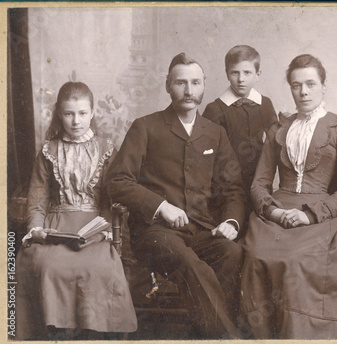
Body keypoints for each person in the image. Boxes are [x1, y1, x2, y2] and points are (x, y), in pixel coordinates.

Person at [107, 53, 246, 339]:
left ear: (204, 86)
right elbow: (117, 181)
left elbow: (234, 189)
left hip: (201, 230)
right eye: (180, 82)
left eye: (195, 82)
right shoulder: (145, 127)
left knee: (232, 253)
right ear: (168, 86)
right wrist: (161, 206)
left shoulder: (215, 133)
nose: (189, 90)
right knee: (190, 263)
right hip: (154, 233)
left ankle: (204, 335)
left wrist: (231, 222)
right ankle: (229, 339)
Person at [240, 54, 337, 339]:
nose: (303, 92)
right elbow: (259, 183)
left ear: (323, 86)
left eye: (310, 84)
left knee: (297, 261)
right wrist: (274, 212)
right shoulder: (279, 128)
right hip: (277, 212)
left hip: (321, 214)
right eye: (296, 85)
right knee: (256, 255)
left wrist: (309, 214)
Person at [15, 82, 137, 340]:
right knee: (46, 264)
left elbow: (111, 197)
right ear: (59, 113)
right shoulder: (48, 150)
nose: (76, 120)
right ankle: (55, 329)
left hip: (94, 226)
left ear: (92, 113)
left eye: (82, 113)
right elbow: (38, 197)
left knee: (98, 267)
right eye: (69, 113)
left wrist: (104, 229)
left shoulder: (106, 149)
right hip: (56, 224)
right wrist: (36, 228)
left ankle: (92, 330)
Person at [203, 45, 277, 231]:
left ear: (258, 74)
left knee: (259, 232)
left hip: (259, 185)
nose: (241, 79)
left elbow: (273, 146)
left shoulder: (265, 105)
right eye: (235, 73)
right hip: (225, 189)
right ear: (227, 74)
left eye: (247, 73)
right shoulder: (215, 110)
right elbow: (208, 156)